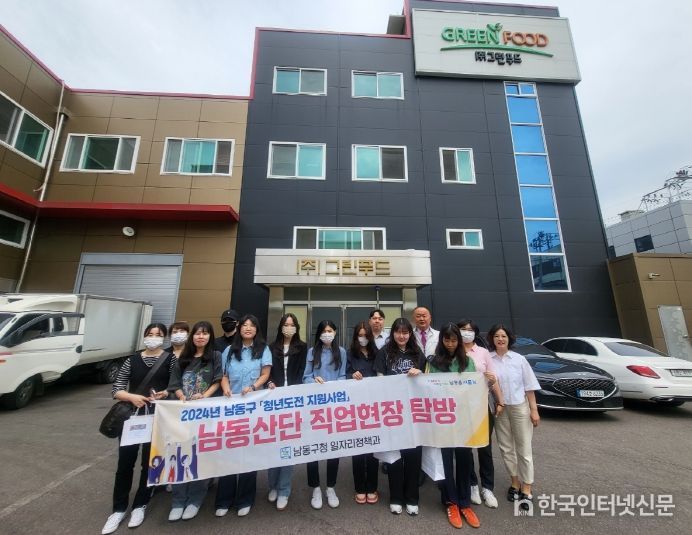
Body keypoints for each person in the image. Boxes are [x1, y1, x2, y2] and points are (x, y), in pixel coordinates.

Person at [101, 323, 175, 535]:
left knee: (149, 463)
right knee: (125, 463)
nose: (154, 338)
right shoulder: (132, 360)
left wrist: (164, 393)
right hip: (131, 419)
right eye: (150, 334)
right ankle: (118, 509)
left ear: (164, 338)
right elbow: (117, 389)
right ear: (144, 336)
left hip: (157, 417)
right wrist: (132, 397)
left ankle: (140, 505)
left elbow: (174, 386)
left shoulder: (170, 359)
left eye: (158, 335)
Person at [215, 314, 272, 518]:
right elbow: (224, 376)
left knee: (249, 452)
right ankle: (224, 499)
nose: (248, 328)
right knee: (228, 450)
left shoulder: (263, 349)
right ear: (239, 329)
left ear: (257, 329)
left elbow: (265, 374)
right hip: (232, 407)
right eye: (245, 325)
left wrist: (254, 387)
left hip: (254, 406)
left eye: (252, 325)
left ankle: (245, 499)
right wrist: (226, 388)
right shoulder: (230, 350)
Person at [166, 321, 222, 521]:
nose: (201, 337)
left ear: (210, 336)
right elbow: (174, 384)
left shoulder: (215, 356)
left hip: (205, 413)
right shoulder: (183, 357)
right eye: (198, 333)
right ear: (193, 337)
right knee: (179, 453)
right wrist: (183, 397)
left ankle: (195, 500)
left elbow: (217, 381)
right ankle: (178, 501)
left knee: (201, 455)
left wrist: (204, 396)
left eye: (205, 333)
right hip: (182, 413)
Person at [427, 323, 481, 529]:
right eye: (447, 340)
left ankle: (465, 503)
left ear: (459, 341)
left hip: (463, 419)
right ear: (441, 341)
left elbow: (474, 388)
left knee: (465, 460)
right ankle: (451, 502)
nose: (450, 344)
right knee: (445, 461)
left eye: (453, 340)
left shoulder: (467, 361)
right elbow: (428, 388)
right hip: (442, 420)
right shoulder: (434, 362)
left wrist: (489, 381)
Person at [374, 318, 426, 516]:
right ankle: (396, 497)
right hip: (393, 412)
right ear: (393, 333)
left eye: (405, 332)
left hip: (414, 412)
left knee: (413, 456)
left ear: (410, 334)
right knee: (394, 457)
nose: (402, 336)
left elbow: (426, 379)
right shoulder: (384, 352)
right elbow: (379, 379)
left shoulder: (417, 353)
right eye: (398, 332)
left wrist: (420, 373)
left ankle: (412, 498)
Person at [487, 324, 540, 511]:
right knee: (506, 448)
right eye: (496, 336)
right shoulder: (489, 359)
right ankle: (515, 482)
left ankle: (527, 487)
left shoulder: (519, 359)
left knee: (524, 447)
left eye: (503, 336)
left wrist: (534, 410)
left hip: (519, 407)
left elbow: (529, 386)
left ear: (509, 338)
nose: (500, 339)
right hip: (500, 408)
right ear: (492, 339)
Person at [458, 319, 505, 509]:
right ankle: (472, 484)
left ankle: (487, 487)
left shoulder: (483, 352)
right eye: (463, 329)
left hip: (482, 406)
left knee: (484, 447)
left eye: (470, 330)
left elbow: (493, 379)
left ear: (475, 333)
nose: (466, 332)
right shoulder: (454, 351)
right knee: (466, 448)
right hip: (460, 408)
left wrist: (500, 401)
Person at [303, 319, 347, 510]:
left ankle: (330, 487)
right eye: (324, 331)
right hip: (315, 406)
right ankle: (315, 488)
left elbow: (343, 375)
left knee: (333, 448)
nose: (327, 334)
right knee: (313, 447)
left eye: (330, 330)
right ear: (319, 334)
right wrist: (314, 380)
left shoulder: (341, 352)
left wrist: (336, 385)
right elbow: (306, 376)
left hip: (334, 406)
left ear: (335, 332)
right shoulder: (312, 352)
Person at [265, 313, 308, 510]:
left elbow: (301, 372)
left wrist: (294, 391)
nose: (288, 327)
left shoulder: (302, 347)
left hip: (293, 401)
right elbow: (266, 371)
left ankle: (284, 489)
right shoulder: (271, 347)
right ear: (281, 327)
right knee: (273, 444)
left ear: (296, 327)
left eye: (292, 324)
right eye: (286, 324)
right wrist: (269, 382)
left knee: (288, 446)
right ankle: (273, 486)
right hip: (274, 401)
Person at [347, 321, 379, 505]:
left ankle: (372, 487)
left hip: (374, 406)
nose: (363, 338)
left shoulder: (377, 353)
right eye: (360, 335)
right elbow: (344, 375)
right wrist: (352, 375)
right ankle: (360, 487)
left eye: (366, 335)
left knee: (373, 447)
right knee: (358, 448)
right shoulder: (350, 354)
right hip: (355, 406)